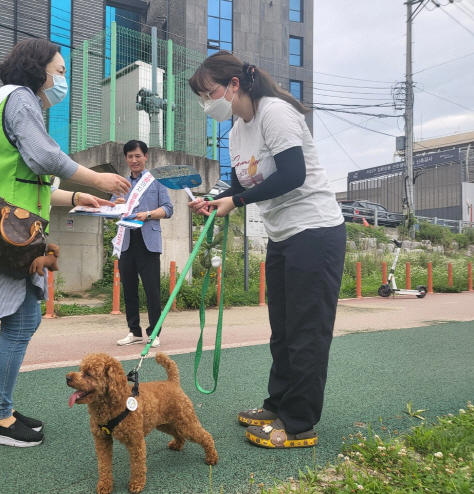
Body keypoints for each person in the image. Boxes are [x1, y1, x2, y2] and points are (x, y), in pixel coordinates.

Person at [0, 39, 131, 448]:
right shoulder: (21, 99)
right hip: (3, 232)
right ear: (36, 69)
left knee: (24, 321)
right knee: (20, 323)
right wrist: (96, 179)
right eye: (59, 70)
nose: (62, 79)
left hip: (2, 226)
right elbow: (44, 157)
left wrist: (76, 197)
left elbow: (27, 182)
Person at [188, 51, 346, 448]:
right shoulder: (237, 131)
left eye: (209, 94)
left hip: (315, 230)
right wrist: (217, 198)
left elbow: (294, 174)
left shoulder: (275, 113)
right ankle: (278, 404)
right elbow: (244, 183)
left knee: (306, 331)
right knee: (283, 330)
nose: (207, 104)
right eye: (202, 98)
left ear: (234, 85)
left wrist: (235, 203)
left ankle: (298, 424)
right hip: (282, 235)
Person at [111, 140, 173, 348]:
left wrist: (146, 214)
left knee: (152, 290)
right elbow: (112, 211)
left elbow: (168, 209)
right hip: (126, 241)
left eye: (138, 156)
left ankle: (154, 332)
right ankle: (134, 331)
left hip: (148, 242)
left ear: (146, 156)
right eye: (130, 156)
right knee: (129, 290)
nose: (134, 160)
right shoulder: (121, 183)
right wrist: (115, 205)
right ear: (126, 159)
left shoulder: (156, 181)